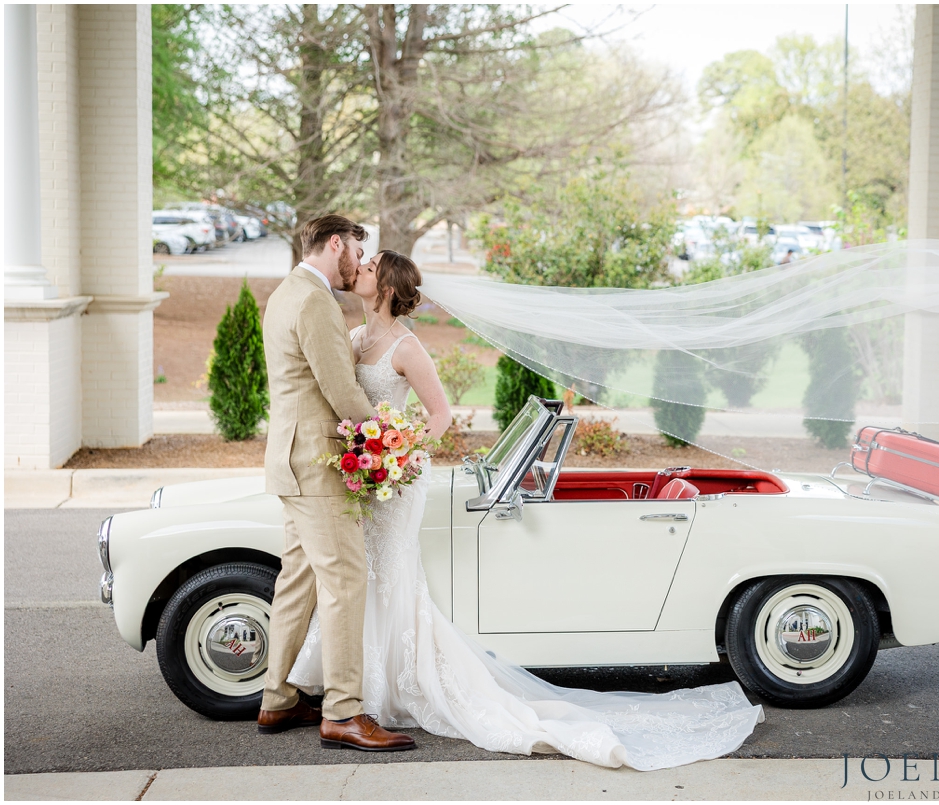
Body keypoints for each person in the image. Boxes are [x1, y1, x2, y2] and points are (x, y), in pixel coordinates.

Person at [286, 249, 764, 770]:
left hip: (396, 479)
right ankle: (354, 692)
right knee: (359, 579)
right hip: (366, 480)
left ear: (384, 286)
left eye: (370, 265)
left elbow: (440, 416)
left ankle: (386, 691)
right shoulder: (354, 339)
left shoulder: (407, 347)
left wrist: (396, 454)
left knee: (391, 577)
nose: (359, 268)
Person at [258, 215, 416, 752]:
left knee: (296, 582)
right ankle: (344, 712)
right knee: (346, 581)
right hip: (317, 463)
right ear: (334, 244)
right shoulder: (316, 301)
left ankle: (277, 699)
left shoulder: (286, 292)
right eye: (353, 251)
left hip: (289, 461)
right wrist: (388, 440)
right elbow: (341, 391)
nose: (356, 263)